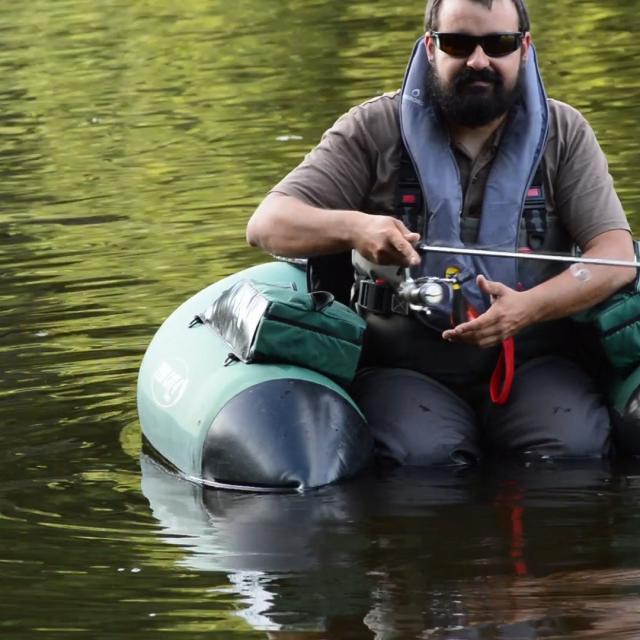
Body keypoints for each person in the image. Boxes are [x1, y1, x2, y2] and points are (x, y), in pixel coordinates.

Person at [246, 0, 636, 467]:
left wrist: (527, 309)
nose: (478, 60)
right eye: (458, 43)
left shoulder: (565, 132)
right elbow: (267, 223)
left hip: (535, 362)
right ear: (431, 48)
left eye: (498, 44)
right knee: (423, 461)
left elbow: (614, 253)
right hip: (407, 366)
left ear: (524, 49)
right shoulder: (373, 128)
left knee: (571, 453)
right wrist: (355, 226)